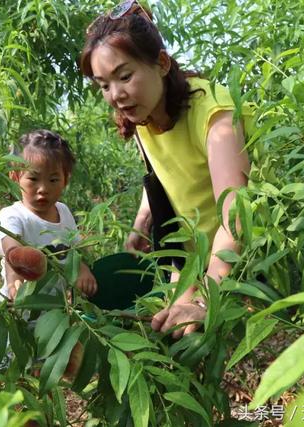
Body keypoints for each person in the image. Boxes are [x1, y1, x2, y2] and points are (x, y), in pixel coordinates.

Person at [80, 0, 252, 338]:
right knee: (166, 334)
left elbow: (238, 216)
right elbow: (162, 177)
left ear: (161, 63)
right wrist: (141, 222)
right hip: (190, 255)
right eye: (103, 85)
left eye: (124, 76)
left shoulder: (215, 117)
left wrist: (204, 300)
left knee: (209, 338)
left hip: (242, 259)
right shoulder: (143, 116)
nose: (115, 95)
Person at [0, 129, 98, 301]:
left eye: (53, 180)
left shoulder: (63, 211)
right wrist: (14, 279)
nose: (43, 189)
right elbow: (12, 250)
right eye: (33, 179)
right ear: (15, 177)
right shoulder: (12, 215)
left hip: (54, 308)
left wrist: (82, 268)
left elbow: (75, 249)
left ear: (66, 180)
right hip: (16, 306)